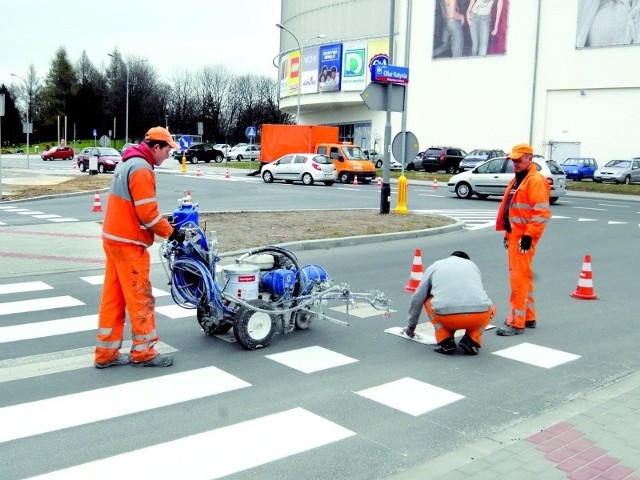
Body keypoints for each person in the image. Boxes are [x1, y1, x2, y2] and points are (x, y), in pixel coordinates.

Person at [94, 126, 183, 368]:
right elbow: (147, 214)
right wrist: (172, 233)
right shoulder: (142, 169)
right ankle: (144, 353)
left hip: (113, 239)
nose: (168, 155)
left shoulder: (127, 163)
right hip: (129, 243)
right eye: (167, 150)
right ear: (156, 147)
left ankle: (106, 353)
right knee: (140, 297)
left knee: (113, 298)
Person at [495, 143, 550, 336]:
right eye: (513, 160)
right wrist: (507, 234)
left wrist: (528, 236)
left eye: (518, 160)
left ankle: (516, 322)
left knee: (518, 279)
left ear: (529, 158)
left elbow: (541, 213)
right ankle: (528, 316)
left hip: (523, 237)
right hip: (515, 235)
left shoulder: (535, 181)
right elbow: (512, 210)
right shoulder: (520, 179)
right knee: (524, 276)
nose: (515, 164)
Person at [403, 251, 495, 355]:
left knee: (428, 299)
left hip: (447, 317)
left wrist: (411, 326)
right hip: (477, 317)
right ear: (466, 260)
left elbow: (417, 298)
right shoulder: (473, 266)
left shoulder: (436, 266)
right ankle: (472, 339)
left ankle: (445, 340)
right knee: (491, 307)